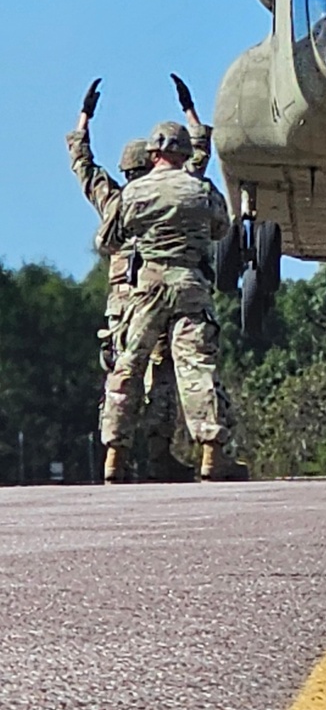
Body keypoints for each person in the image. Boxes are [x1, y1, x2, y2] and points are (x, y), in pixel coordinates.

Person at [66, 75, 211, 481]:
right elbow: (197, 161)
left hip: (127, 303)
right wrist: (189, 111)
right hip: (168, 289)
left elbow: (83, 166)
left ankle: (117, 455)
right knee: (165, 377)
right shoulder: (169, 195)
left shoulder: (115, 200)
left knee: (125, 373)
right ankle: (159, 454)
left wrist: (84, 119)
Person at [99, 119, 245, 483]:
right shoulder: (200, 189)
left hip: (147, 287)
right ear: (183, 153)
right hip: (190, 282)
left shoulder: (133, 194)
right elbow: (221, 229)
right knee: (196, 365)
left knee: (130, 364)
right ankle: (212, 453)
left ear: (153, 153)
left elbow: (109, 239)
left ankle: (114, 455)